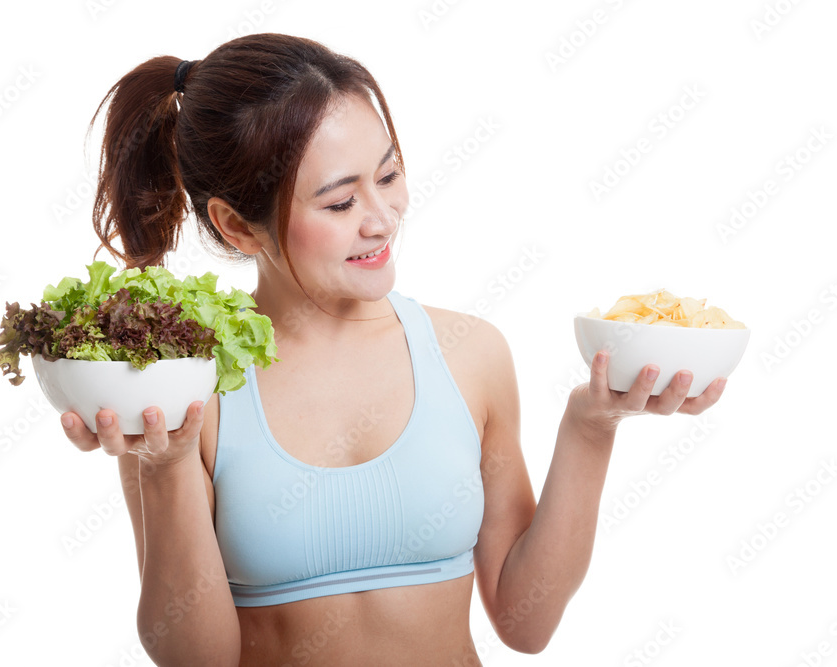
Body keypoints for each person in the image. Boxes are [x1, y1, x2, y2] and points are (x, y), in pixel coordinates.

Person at [58, 33, 728, 666]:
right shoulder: (181, 388)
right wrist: (167, 465)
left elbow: (527, 622)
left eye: (389, 175)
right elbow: (197, 657)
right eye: (340, 200)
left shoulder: (468, 355)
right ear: (236, 226)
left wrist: (593, 425)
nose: (381, 218)